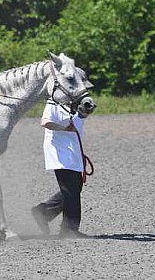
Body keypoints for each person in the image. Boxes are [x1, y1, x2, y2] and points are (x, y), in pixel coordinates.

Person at [31, 99, 90, 238]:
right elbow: (45, 122)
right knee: (71, 188)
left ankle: (44, 212)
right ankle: (69, 229)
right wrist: (64, 128)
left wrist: (84, 113)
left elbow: (77, 123)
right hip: (60, 151)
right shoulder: (53, 102)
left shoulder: (73, 102)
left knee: (75, 186)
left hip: (72, 149)